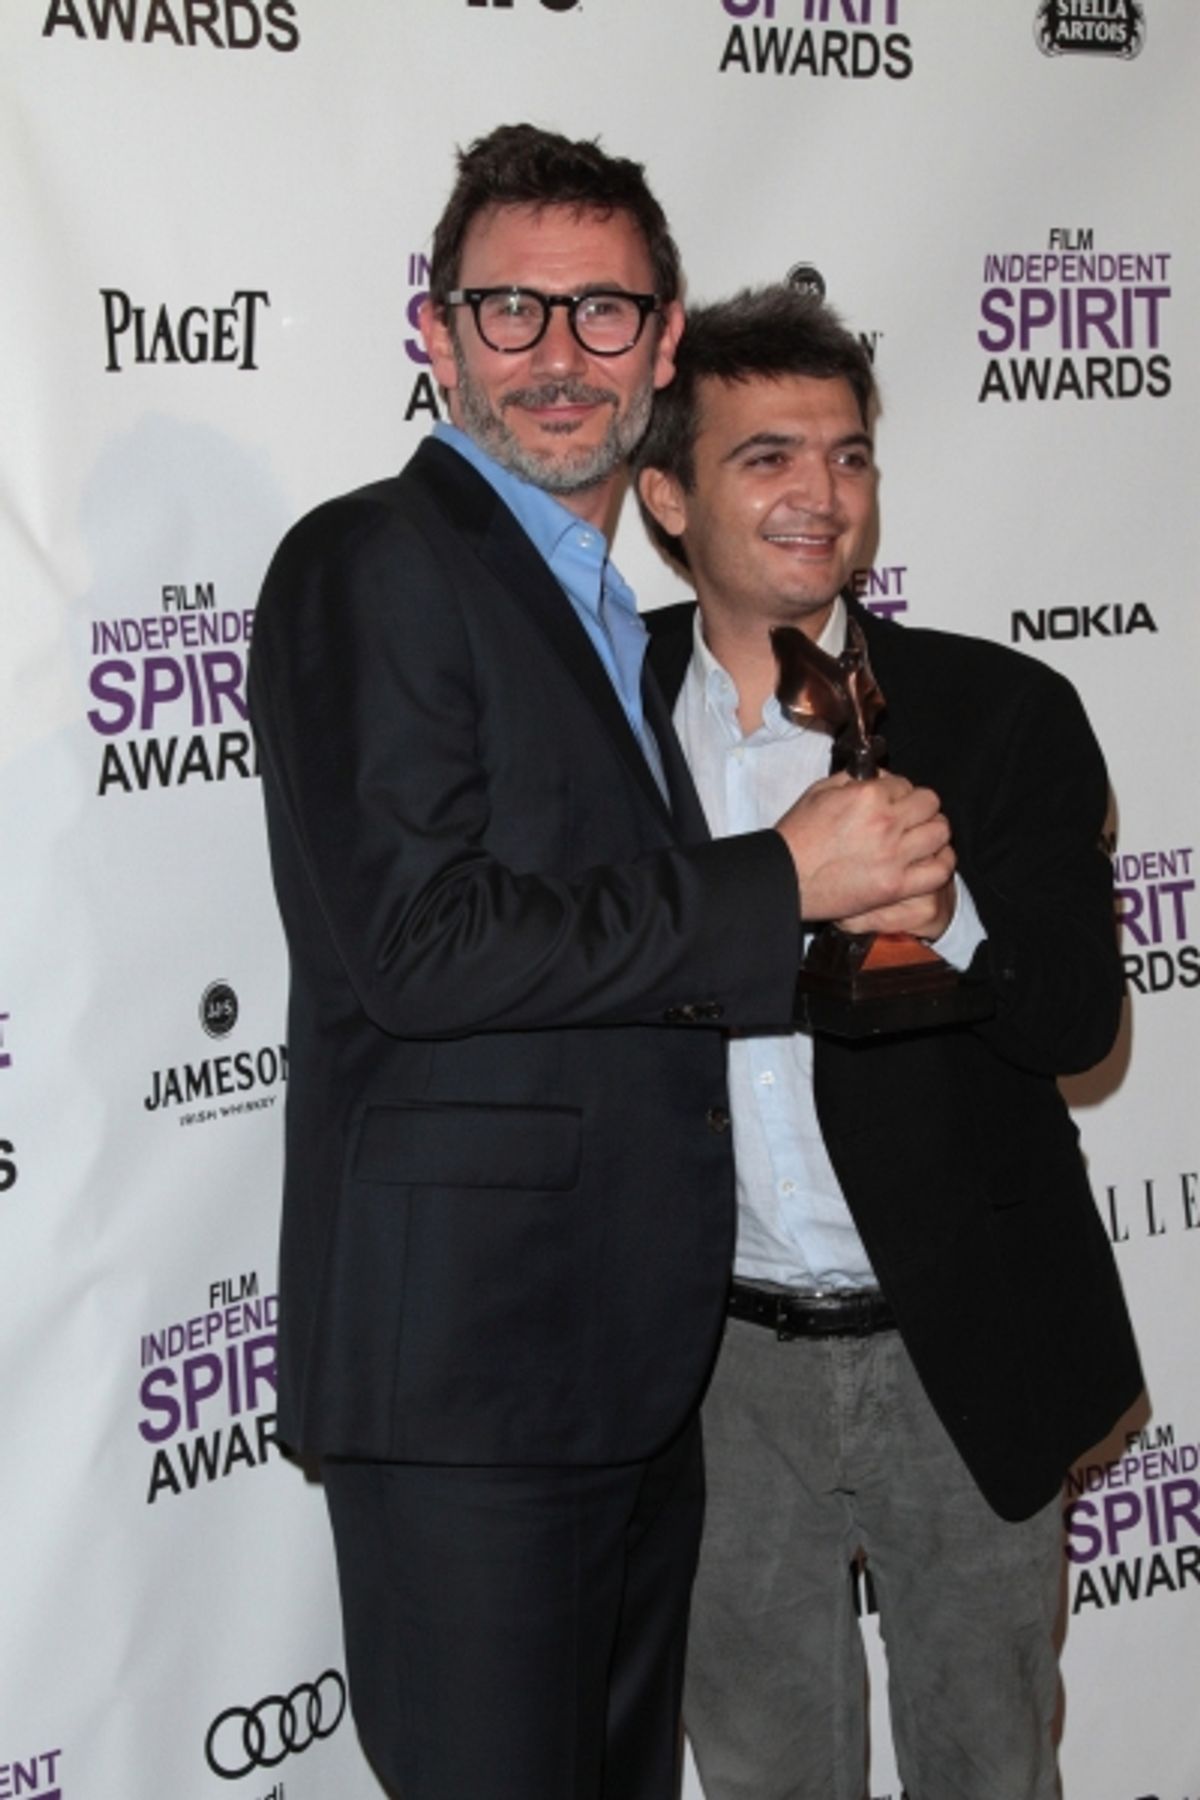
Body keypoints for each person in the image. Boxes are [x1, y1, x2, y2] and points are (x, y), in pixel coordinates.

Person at [248, 133, 952, 1800]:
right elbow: (418, 947)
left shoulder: (607, 618)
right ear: (437, 331)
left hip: (621, 1376)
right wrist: (779, 881)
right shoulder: (373, 560)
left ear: (663, 337)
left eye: (605, 311)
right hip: (471, 1385)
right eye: (513, 308)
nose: (559, 353)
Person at [636, 285, 1143, 1800]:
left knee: (992, 1767)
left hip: (964, 1341)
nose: (822, 493)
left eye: (848, 455)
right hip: (708, 1368)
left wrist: (948, 903)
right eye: (768, 456)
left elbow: (1080, 1023)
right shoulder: (595, 720)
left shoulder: (1001, 709)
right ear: (666, 494)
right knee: (766, 1775)